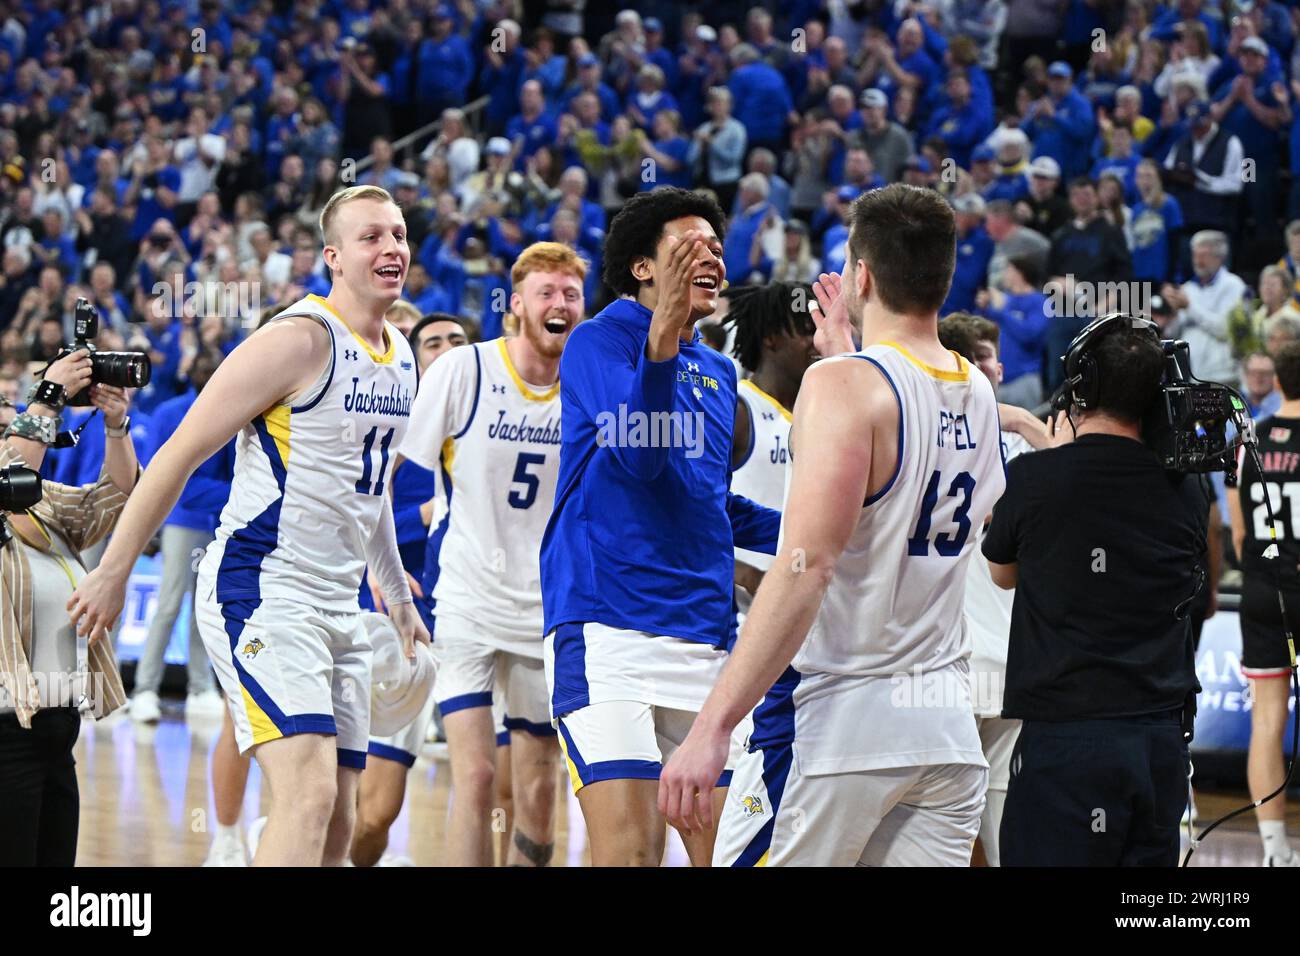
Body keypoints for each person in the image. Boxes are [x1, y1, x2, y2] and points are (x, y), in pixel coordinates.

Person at [67, 185, 427, 867]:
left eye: (399, 234)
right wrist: (113, 571)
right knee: (309, 795)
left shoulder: (401, 354)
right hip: (261, 589)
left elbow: (371, 488)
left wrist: (397, 595)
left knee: (338, 827)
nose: (391, 248)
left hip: (338, 604)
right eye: (371, 237)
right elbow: (179, 452)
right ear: (334, 257)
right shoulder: (296, 339)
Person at [661, 184, 1006, 867]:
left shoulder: (842, 384)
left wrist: (714, 724)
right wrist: (848, 352)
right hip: (944, 731)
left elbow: (807, 568)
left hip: (843, 722)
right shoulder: (979, 387)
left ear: (863, 275)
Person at [540, 186, 780, 867]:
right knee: (632, 853)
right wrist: (664, 333)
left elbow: (711, 501)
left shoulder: (717, 369)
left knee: (725, 852)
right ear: (644, 267)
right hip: (606, 627)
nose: (710, 258)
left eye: (716, 247)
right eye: (688, 247)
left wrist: (816, 531)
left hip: (703, 637)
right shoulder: (595, 343)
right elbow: (640, 459)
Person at [984, 316, 1207, 866]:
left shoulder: (1038, 478)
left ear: (1078, 387)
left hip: (1069, 742)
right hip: (1159, 741)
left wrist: (1049, 449)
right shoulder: (1188, 488)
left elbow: (1002, 573)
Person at [398, 242, 586, 867]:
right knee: (476, 777)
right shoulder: (465, 370)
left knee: (537, 787)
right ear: (517, 307)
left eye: (570, 294)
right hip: (468, 600)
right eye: (547, 294)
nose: (560, 304)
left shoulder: (589, 385)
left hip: (547, 611)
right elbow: (400, 477)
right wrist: (388, 570)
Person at [0, 347, 140, 866]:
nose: (11, 437)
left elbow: (118, 497)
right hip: (5, 731)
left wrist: (116, 425)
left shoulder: (42, 501)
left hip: (57, 730)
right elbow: (10, 468)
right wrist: (51, 394)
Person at [350, 310, 468, 868]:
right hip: (390, 620)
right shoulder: (393, 423)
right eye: (432, 343)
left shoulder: (492, 422)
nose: (446, 349)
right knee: (370, 807)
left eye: (457, 340)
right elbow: (361, 506)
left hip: (466, 624)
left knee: (385, 812)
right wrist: (424, 516)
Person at [938, 312, 1049, 867]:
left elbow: (1068, 495)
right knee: (943, 822)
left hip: (1010, 657)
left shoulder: (1027, 450)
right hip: (948, 659)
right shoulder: (939, 438)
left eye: (995, 356)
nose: (994, 366)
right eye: (980, 356)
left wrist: (1027, 423)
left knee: (1005, 820)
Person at [128, 348, 232, 724]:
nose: (206, 366)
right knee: (171, 602)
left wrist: (225, 496)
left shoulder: (232, 410)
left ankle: (201, 686)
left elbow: (233, 475)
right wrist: (227, 494)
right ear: (187, 369)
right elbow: (162, 475)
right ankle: (145, 689)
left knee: (206, 606)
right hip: (182, 519)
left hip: (217, 522)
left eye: (213, 361)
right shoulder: (169, 412)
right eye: (200, 361)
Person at [1226, 340, 1300, 867]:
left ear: (1278, 381)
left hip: (1261, 587)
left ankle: (1274, 852)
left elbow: (1238, 534)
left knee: (1267, 722)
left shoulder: (1245, 439)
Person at [726, 281, 817, 613]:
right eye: (806, 331)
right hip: (742, 616)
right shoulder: (736, 409)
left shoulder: (823, 413)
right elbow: (690, 515)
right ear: (770, 337)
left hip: (805, 610)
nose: (817, 341)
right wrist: (747, 575)